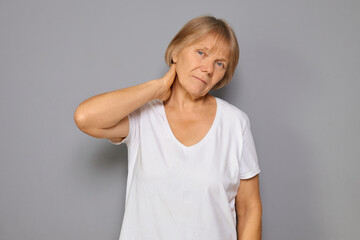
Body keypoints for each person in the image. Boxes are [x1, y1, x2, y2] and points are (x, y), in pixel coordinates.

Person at [74, 15, 262, 240]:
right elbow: (85, 118)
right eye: (201, 52)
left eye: (220, 64)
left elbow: (249, 209)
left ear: (222, 76)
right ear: (176, 52)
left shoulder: (235, 123)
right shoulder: (143, 116)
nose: (208, 69)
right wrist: (156, 88)